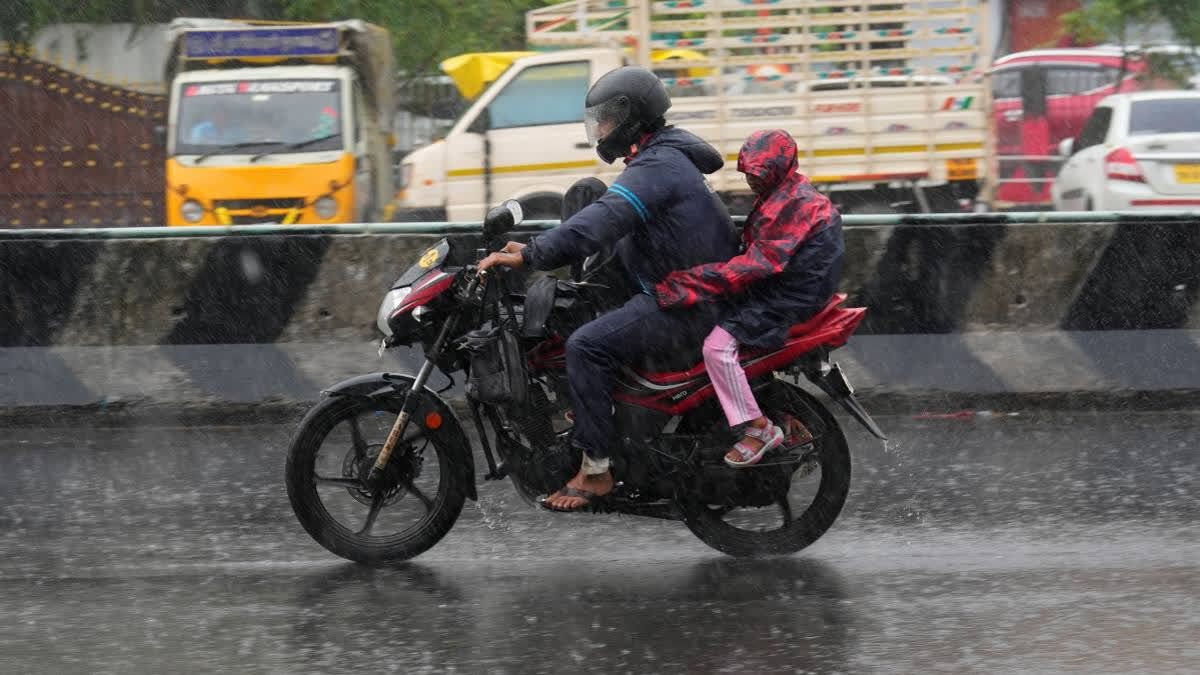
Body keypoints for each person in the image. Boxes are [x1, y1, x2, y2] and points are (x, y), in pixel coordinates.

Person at [478, 66, 738, 511]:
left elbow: (607, 219)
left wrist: (532, 255)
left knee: (585, 347)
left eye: (607, 120)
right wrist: (539, 248)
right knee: (586, 192)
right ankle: (594, 412)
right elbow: (602, 212)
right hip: (676, 285)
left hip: (686, 304)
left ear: (632, 118)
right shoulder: (661, 157)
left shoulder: (659, 166)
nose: (600, 130)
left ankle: (595, 469)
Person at [655, 129, 845, 467]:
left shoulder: (792, 204)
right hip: (787, 288)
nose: (752, 182)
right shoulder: (786, 192)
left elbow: (756, 266)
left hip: (787, 299)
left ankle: (758, 429)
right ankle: (782, 419)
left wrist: (689, 283)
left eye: (759, 174)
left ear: (778, 169)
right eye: (749, 174)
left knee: (717, 348)